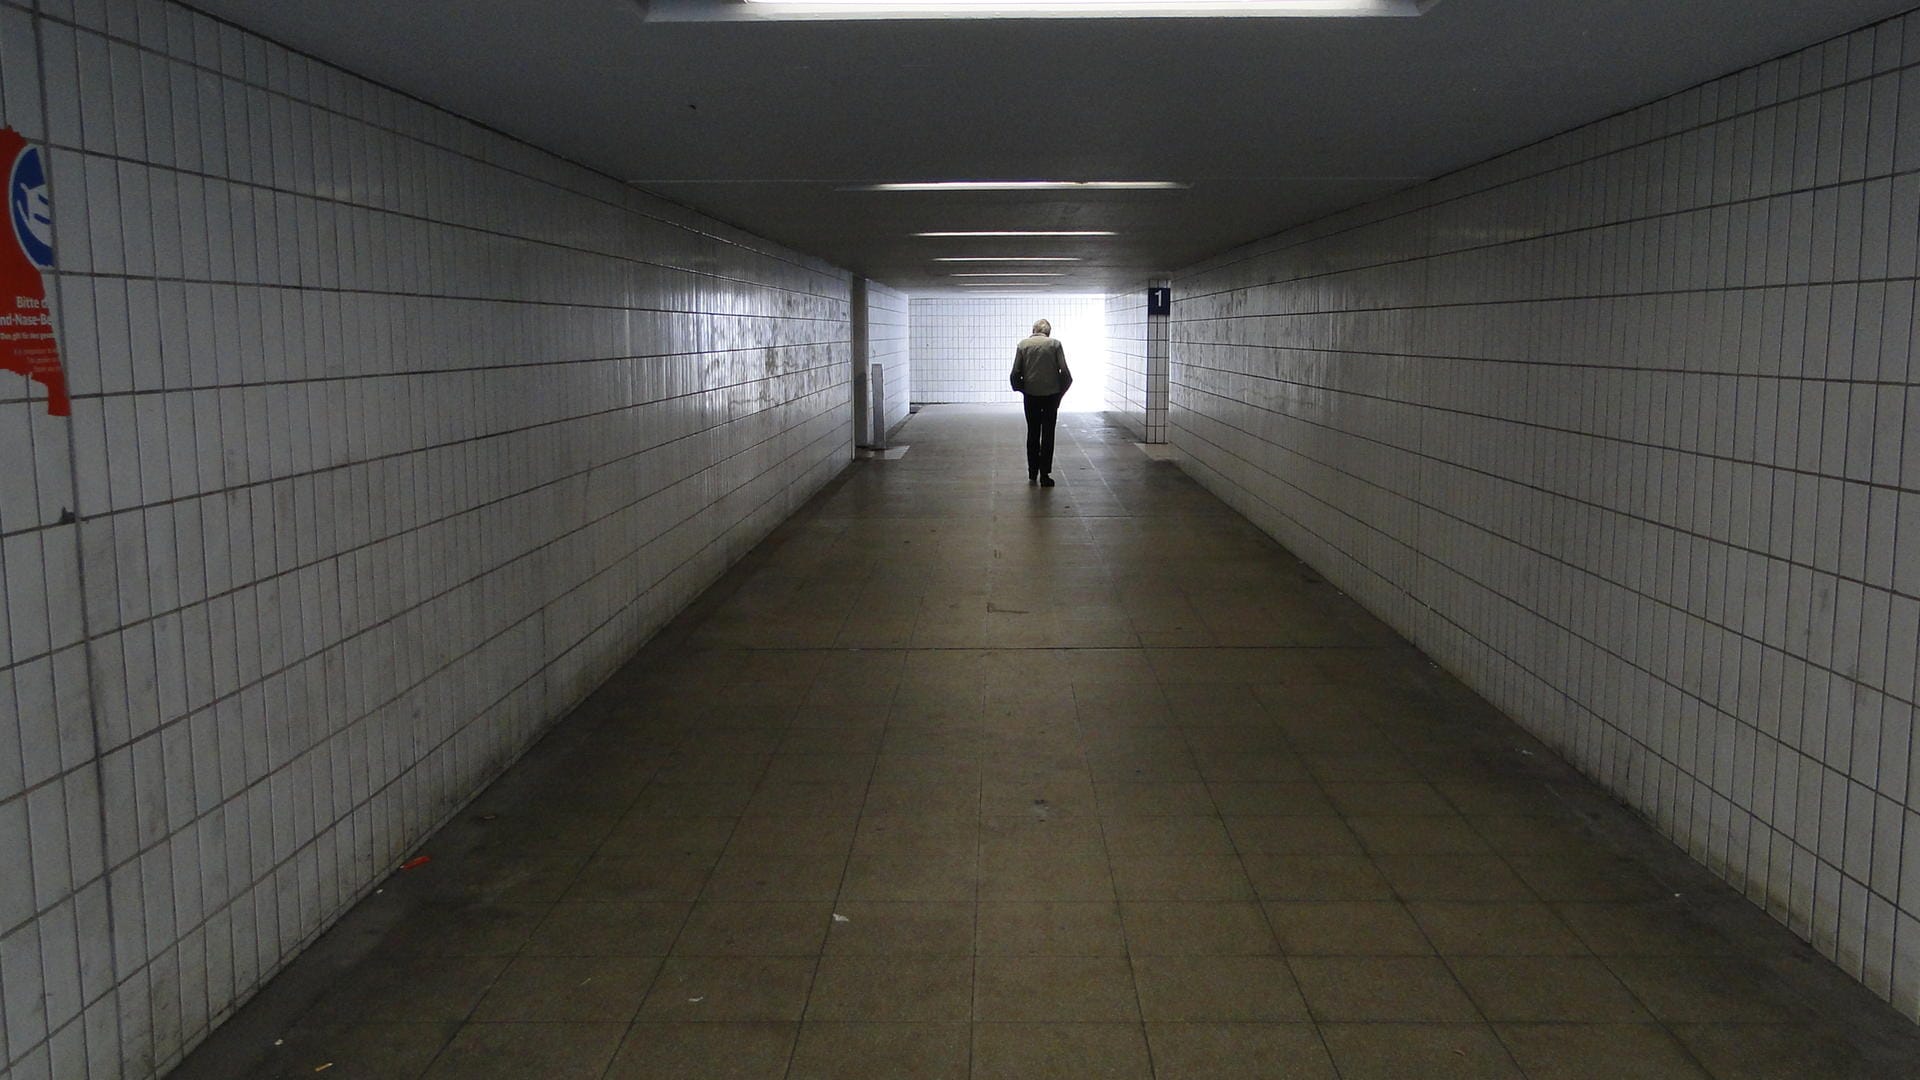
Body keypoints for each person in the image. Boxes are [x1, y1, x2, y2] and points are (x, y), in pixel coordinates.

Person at [1010, 318, 1072, 486]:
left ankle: (1032, 472)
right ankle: (1045, 474)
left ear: (1033, 329)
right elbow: (1065, 372)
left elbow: (1015, 372)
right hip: (1051, 396)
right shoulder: (1055, 344)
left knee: (1033, 432)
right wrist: (1060, 394)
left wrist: (1023, 389)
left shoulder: (1023, 345)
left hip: (1031, 396)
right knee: (1048, 434)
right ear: (1048, 332)